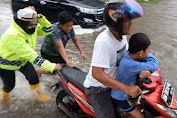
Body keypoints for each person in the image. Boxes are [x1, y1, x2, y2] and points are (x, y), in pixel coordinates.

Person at [83, 0, 144, 118]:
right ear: (116, 21)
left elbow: (126, 57)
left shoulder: (122, 36)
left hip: (115, 82)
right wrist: (126, 88)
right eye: (127, 20)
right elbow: (97, 73)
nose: (131, 24)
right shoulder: (104, 41)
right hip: (98, 88)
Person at [0, 6, 62, 103]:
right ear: (22, 23)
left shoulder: (30, 27)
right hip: (6, 62)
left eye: (35, 23)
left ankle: (37, 95)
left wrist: (40, 17)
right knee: (10, 85)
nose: (34, 26)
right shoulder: (13, 35)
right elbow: (31, 55)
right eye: (31, 24)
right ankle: (4, 98)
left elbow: (49, 30)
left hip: (22, 59)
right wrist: (51, 66)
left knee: (33, 77)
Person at [111, 33, 159, 118]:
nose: (148, 53)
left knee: (140, 106)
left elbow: (146, 62)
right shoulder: (130, 64)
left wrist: (144, 55)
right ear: (140, 52)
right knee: (141, 117)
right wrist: (148, 56)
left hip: (126, 92)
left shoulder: (129, 56)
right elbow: (155, 65)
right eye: (148, 50)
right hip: (121, 97)